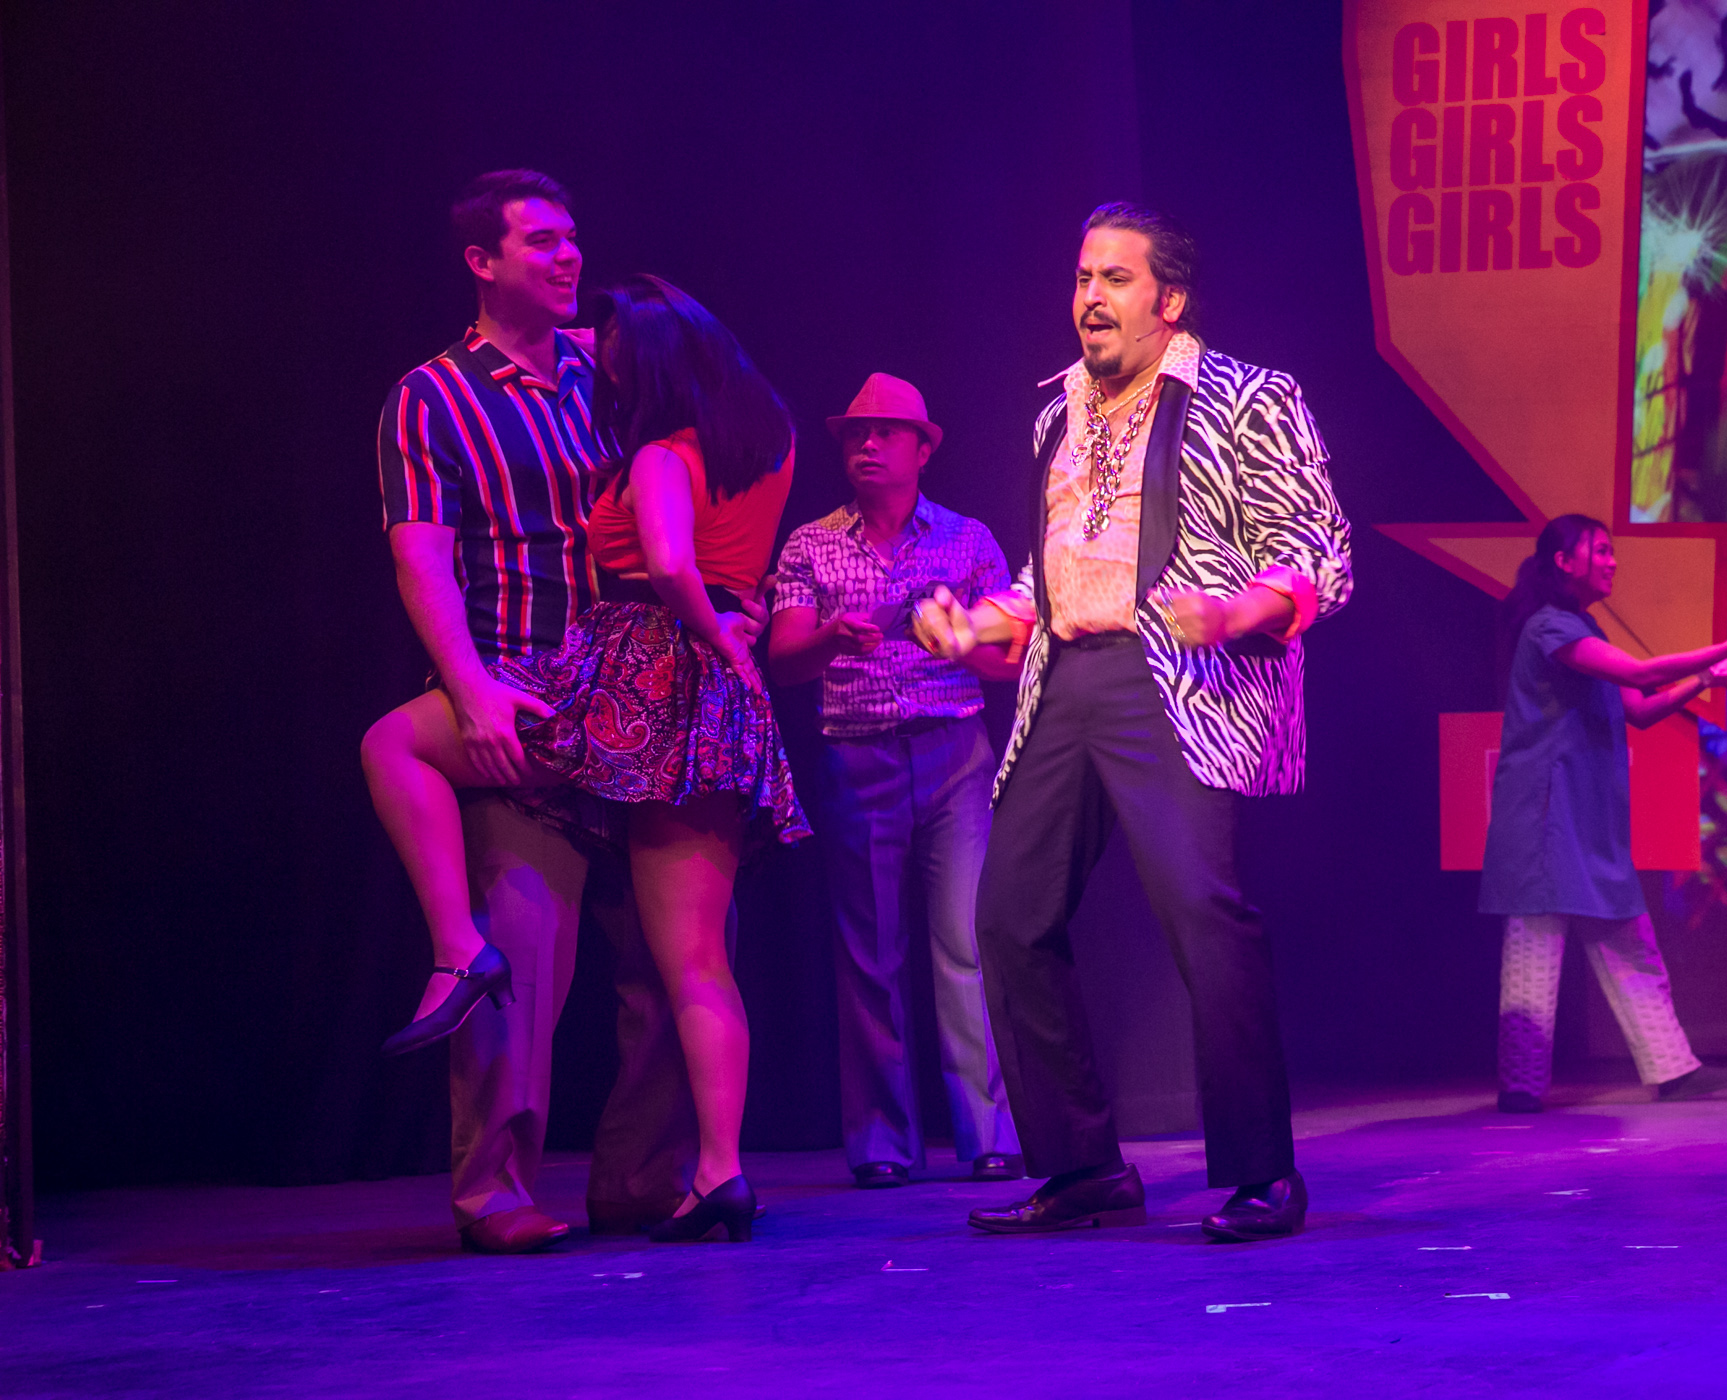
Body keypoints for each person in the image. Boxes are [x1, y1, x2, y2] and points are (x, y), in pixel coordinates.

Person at [913, 202, 1352, 1242]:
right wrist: (981, 624)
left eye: (1115, 278)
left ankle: (1262, 1173)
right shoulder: (1055, 413)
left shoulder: (1247, 397)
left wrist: (1237, 611)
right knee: (1007, 917)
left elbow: (1318, 550)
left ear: (1170, 299)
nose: (1091, 298)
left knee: (1203, 910)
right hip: (1068, 677)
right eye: (1082, 278)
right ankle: (1082, 1167)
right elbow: (1055, 572)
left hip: (1178, 677)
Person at [366, 268, 807, 1247]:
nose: (600, 366)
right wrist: (737, 625)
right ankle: (716, 1172)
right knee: (693, 962)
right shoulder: (767, 433)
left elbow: (669, 561)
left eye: (615, 356)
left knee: (392, 741)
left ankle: (458, 950)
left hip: (629, 684)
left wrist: (712, 622)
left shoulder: (657, 447)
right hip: (708, 706)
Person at [371, 172, 701, 1254]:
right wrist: (468, 689)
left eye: (572, 238)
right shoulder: (433, 396)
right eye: (543, 242)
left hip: (638, 698)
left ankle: (641, 1179)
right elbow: (422, 559)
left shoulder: (606, 374)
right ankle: (495, 1191)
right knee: (522, 939)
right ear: (482, 261)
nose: (569, 258)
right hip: (526, 695)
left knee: (674, 953)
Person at [769, 374, 1023, 1189]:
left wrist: (960, 643)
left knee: (966, 944)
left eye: (884, 432)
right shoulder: (811, 543)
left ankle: (988, 1132)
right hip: (858, 757)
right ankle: (882, 1141)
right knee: (870, 956)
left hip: (954, 753)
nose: (867, 445)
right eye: (855, 433)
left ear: (922, 449)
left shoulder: (968, 539)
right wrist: (832, 640)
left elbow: (1010, 659)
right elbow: (782, 657)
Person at [1482, 516, 1727, 1112]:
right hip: (1545, 813)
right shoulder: (1549, 627)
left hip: (1585, 815)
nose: (1612, 562)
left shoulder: (1581, 627)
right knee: (1535, 947)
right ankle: (1521, 1086)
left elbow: (1640, 708)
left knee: (1626, 938)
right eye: (1601, 550)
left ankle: (1673, 1069)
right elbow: (1640, 674)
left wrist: (1714, 675)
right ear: (1564, 561)